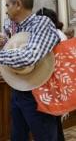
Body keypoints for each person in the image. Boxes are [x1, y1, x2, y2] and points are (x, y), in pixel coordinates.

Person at [0, 0, 60, 141]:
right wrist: (7, 44)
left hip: (38, 91)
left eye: (7, 5)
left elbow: (29, 57)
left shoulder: (41, 22)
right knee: (18, 136)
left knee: (45, 136)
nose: (5, 10)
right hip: (19, 88)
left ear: (18, 5)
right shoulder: (18, 27)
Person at [36, 7, 66, 141]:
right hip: (54, 80)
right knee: (54, 121)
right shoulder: (58, 33)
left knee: (51, 121)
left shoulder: (54, 34)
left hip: (53, 81)